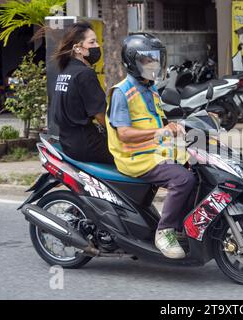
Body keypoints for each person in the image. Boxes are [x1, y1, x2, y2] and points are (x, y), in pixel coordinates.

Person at [105, 33, 196, 259]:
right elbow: (124, 134)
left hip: (156, 151)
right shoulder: (122, 92)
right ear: (132, 62)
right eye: (147, 60)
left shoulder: (150, 87)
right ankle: (164, 232)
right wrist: (161, 131)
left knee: (198, 167)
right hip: (136, 157)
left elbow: (159, 120)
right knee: (182, 179)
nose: (153, 65)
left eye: (156, 59)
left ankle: (183, 227)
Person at [51, 21, 113, 163]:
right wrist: (119, 135)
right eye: (92, 42)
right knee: (133, 157)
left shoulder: (65, 72)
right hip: (87, 145)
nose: (98, 46)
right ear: (78, 48)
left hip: (68, 143)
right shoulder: (85, 74)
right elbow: (100, 115)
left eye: (97, 42)